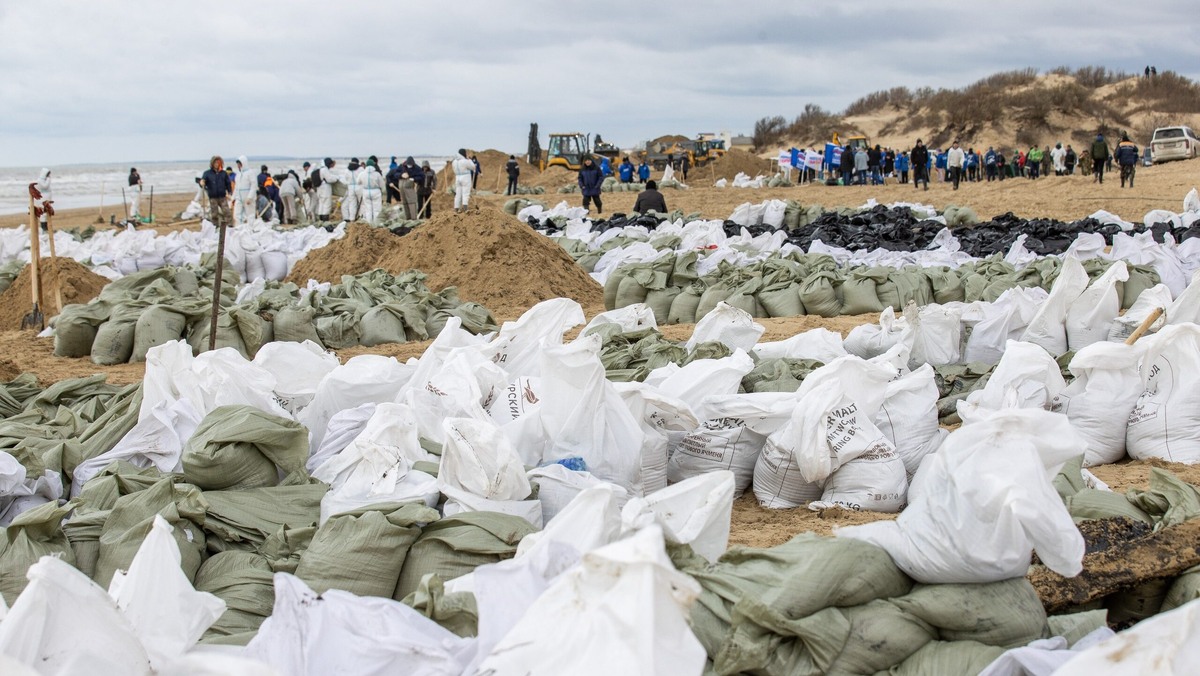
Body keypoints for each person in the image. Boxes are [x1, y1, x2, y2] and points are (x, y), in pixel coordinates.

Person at [200, 156, 234, 229]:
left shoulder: (223, 173)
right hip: (213, 197)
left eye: (218, 163)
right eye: (215, 162)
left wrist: (229, 192)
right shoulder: (207, 173)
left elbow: (228, 183)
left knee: (227, 212)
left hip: (222, 197)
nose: (216, 164)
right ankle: (215, 227)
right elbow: (203, 181)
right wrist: (202, 182)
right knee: (214, 214)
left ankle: (230, 226)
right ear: (212, 163)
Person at [233, 156, 256, 223]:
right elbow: (236, 187)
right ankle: (239, 227)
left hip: (248, 198)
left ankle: (251, 227)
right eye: (237, 164)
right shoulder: (238, 174)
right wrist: (233, 198)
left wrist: (250, 197)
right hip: (239, 198)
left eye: (239, 164)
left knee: (250, 215)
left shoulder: (250, 173)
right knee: (237, 215)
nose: (238, 165)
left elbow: (254, 185)